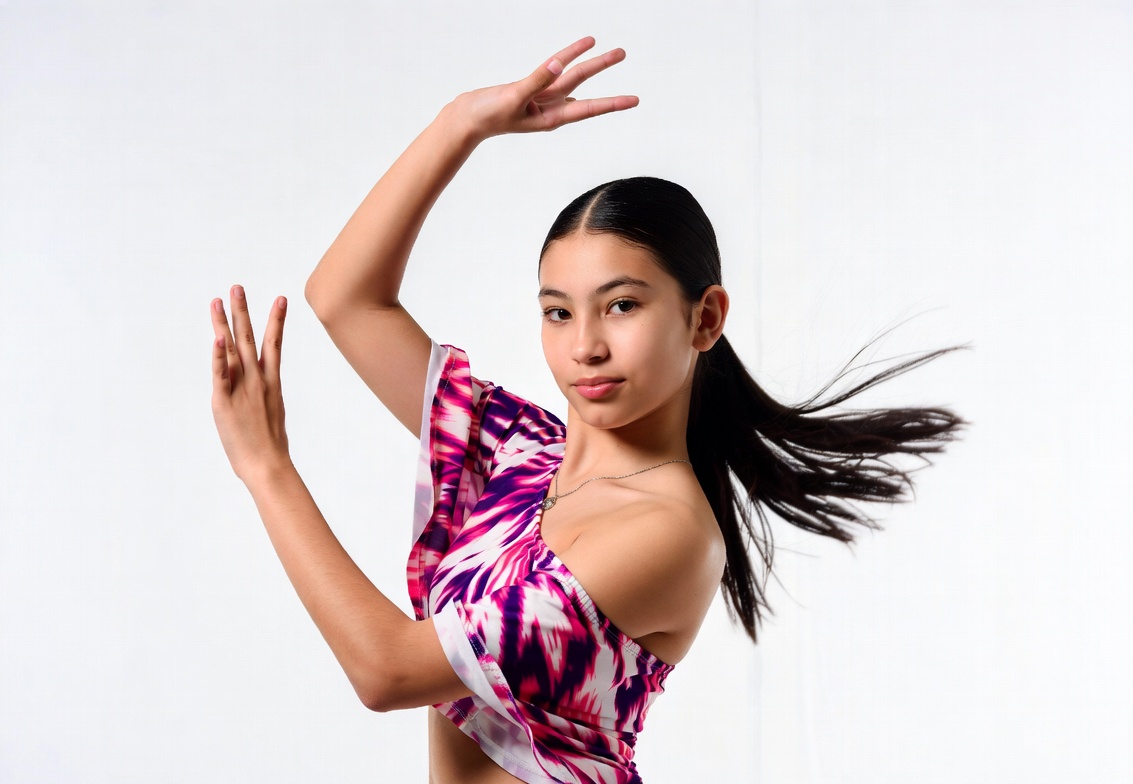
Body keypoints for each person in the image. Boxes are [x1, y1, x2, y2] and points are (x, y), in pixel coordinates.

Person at [209, 37, 965, 784]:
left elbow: (388, 672)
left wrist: (267, 468)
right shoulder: (524, 453)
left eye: (622, 305)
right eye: (558, 312)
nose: (585, 347)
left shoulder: (666, 533)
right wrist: (461, 123)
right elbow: (345, 299)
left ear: (704, 319)